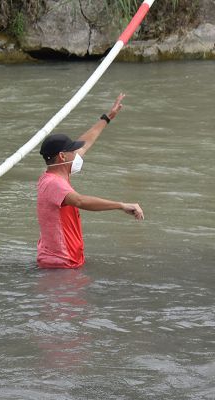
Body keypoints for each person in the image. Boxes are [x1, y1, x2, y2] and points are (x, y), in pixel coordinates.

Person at [35, 93, 144, 269]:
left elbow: (85, 143)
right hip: (61, 263)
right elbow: (80, 201)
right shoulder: (53, 184)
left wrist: (107, 117)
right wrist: (121, 205)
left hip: (64, 260)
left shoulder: (55, 175)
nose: (78, 153)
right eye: (73, 151)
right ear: (62, 156)